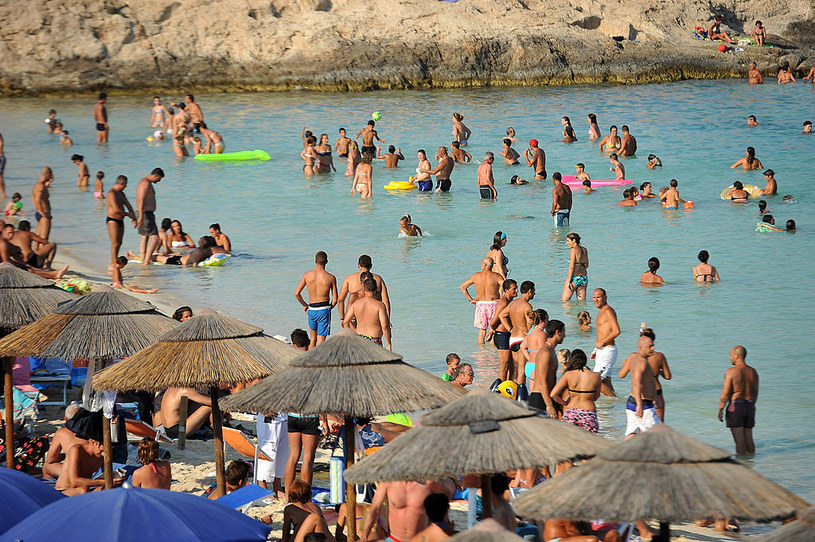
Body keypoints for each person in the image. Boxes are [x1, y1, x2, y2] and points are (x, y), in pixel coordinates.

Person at [360, 480, 453, 542]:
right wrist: (364, 537)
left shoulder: (429, 484)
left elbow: (448, 494)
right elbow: (374, 509)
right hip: (394, 539)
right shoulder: (388, 482)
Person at [718, 346, 758, 455]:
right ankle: (752, 462)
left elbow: (725, 394)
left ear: (737, 356)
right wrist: (751, 406)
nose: (730, 358)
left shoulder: (730, 372)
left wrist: (721, 409)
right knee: (749, 438)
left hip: (736, 406)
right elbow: (755, 393)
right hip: (750, 405)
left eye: (731, 355)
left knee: (739, 441)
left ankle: (743, 465)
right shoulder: (753, 372)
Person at [619, 335, 661, 439]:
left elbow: (621, 374)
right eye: (650, 346)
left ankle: (617, 454)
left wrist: (655, 397)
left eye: (653, 346)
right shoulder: (641, 362)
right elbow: (636, 383)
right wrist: (639, 405)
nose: (653, 349)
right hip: (642, 404)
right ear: (640, 347)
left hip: (633, 402)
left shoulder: (634, 358)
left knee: (632, 434)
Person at [295, 251, 338, 348]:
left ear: (315, 261)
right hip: (324, 309)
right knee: (321, 341)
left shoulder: (307, 275)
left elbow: (297, 293)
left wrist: (305, 305)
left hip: (312, 309)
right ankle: (320, 362)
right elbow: (335, 299)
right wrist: (329, 308)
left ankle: (310, 361)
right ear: (326, 261)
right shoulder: (331, 277)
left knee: (313, 339)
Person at [498, 280, 535, 392]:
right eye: (534, 291)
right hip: (522, 340)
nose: (534, 293)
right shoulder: (527, 306)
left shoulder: (513, 304)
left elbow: (502, 315)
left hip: (513, 339)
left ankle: (511, 393)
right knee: (521, 371)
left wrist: (510, 329)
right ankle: (520, 395)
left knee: (515, 370)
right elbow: (529, 325)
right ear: (529, 291)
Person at [551, 349, 601, 433]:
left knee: (569, 441)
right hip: (588, 412)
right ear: (585, 360)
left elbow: (553, 394)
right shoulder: (596, 376)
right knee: (589, 443)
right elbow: (596, 397)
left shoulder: (568, 374)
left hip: (571, 411)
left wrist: (564, 403)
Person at [55, 436, 123, 495]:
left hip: (86, 490)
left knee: (114, 488)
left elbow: (106, 475)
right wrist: (105, 482)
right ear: (93, 442)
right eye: (101, 451)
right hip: (64, 491)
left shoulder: (103, 455)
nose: (103, 454)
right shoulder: (77, 450)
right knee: (83, 489)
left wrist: (115, 479)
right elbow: (74, 482)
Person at [460, 256, 504, 344]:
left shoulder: (476, 276)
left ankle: (481, 354)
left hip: (481, 304)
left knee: (482, 330)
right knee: (494, 328)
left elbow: (463, 287)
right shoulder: (497, 276)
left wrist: (470, 299)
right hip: (493, 303)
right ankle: (492, 354)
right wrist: (502, 298)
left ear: (484, 265)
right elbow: (504, 285)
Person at [338, 255, 391, 323]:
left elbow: (340, 300)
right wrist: (388, 320)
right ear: (371, 266)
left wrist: (342, 318)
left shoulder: (349, 278)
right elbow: (385, 300)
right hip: (373, 314)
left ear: (358, 265)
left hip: (354, 315)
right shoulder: (378, 279)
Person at [529, 320, 566, 419]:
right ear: (558, 332)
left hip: (545, 397)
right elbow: (542, 381)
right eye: (564, 332)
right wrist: (549, 405)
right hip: (539, 398)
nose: (565, 336)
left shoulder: (551, 351)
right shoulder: (545, 353)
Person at [343, 277, 392, 349]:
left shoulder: (356, 304)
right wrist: (389, 343)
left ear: (363, 289)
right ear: (376, 289)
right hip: (374, 340)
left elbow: (346, 322)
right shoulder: (379, 305)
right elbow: (384, 326)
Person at [43, 404, 87, 479]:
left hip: (76, 471)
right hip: (94, 469)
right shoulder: (92, 430)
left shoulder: (62, 433)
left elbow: (51, 459)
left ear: (66, 419)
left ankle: (50, 488)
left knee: (46, 466)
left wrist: (65, 456)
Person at [591, 288, 620, 397]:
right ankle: (614, 406)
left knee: (595, 381)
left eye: (598, 297)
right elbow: (602, 333)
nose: (596, 300)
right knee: (606, 381)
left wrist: (602, 343)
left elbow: (617, 331)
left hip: (608, 350)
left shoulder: (608, 311)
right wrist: (596, 350)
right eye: (594, 297)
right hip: (601, 350)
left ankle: (615, 400)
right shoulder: (600, 312)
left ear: (605, 297)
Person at [639, 327, 671, 421]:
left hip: (643, 392)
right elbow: (668, 376)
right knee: (659, 424)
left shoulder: (636, 356)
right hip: (656, 391)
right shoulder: (659, 356)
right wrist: (659, 372)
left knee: (643, 425)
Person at [135, 168, 165, 267]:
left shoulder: (144, 182)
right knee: (155, 238)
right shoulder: (145, 183)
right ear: (155, 175)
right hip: (145, 213)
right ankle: (146, 262)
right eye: (159, 179)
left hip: (144, 213)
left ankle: (144, 260)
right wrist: (141, 215)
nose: (159, 181)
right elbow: (140, 198)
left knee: (144, 236)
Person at [490, 279, 518, 382]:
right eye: (514, 289)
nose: (516, 291)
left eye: (516, 288)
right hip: (502, 335)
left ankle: (508, 388)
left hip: (508, 335)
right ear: (506, 290)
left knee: (512, 365)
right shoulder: (503, 303)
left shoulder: (511, 301)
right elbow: (493, 322)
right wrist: (492, 330)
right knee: (504, 365)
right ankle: (498, 387)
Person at [255, 410, 289, 498]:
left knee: (282, 453)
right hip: (269, 419)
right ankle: (262, 487)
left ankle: (277, 487)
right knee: (268, 451)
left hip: (284, 417)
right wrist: (262, 409)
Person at [562, 232, 589, 302]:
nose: (566, 243)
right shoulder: (584, 250)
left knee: (565, 302)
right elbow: (587, 265)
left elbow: (571, 266)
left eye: (568, 241)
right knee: (581, 303)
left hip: (574, 278)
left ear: (573, 240)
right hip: (583, 278)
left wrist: (569, 280)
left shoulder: (573, 249)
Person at [32, 166, 53, 243]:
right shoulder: (41, 186)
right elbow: (37, 199)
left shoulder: (37, 185)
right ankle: (41, 254)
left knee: (38, 239)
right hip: (44, 214)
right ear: (47, 175)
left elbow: (33, 199)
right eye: (51, 174)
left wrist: (38, 210)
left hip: (40, 213)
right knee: (44, 240)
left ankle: (37, 252)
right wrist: (42, 213)